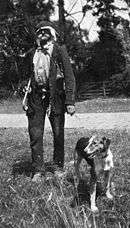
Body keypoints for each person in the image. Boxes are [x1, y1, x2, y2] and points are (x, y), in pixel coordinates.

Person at [26, 21, 76, 182]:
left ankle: (57, 167)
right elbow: (26, 76)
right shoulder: (32, 53)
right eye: (39, 32)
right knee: (35, 134)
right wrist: (25, 93)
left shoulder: (59, 51)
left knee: (58, 133)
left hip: (56, 99)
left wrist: (70, 101)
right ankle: (38, 170)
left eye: (45, 31)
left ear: (52, 33)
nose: (41, 35)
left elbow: (69, 77)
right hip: (35, 99)